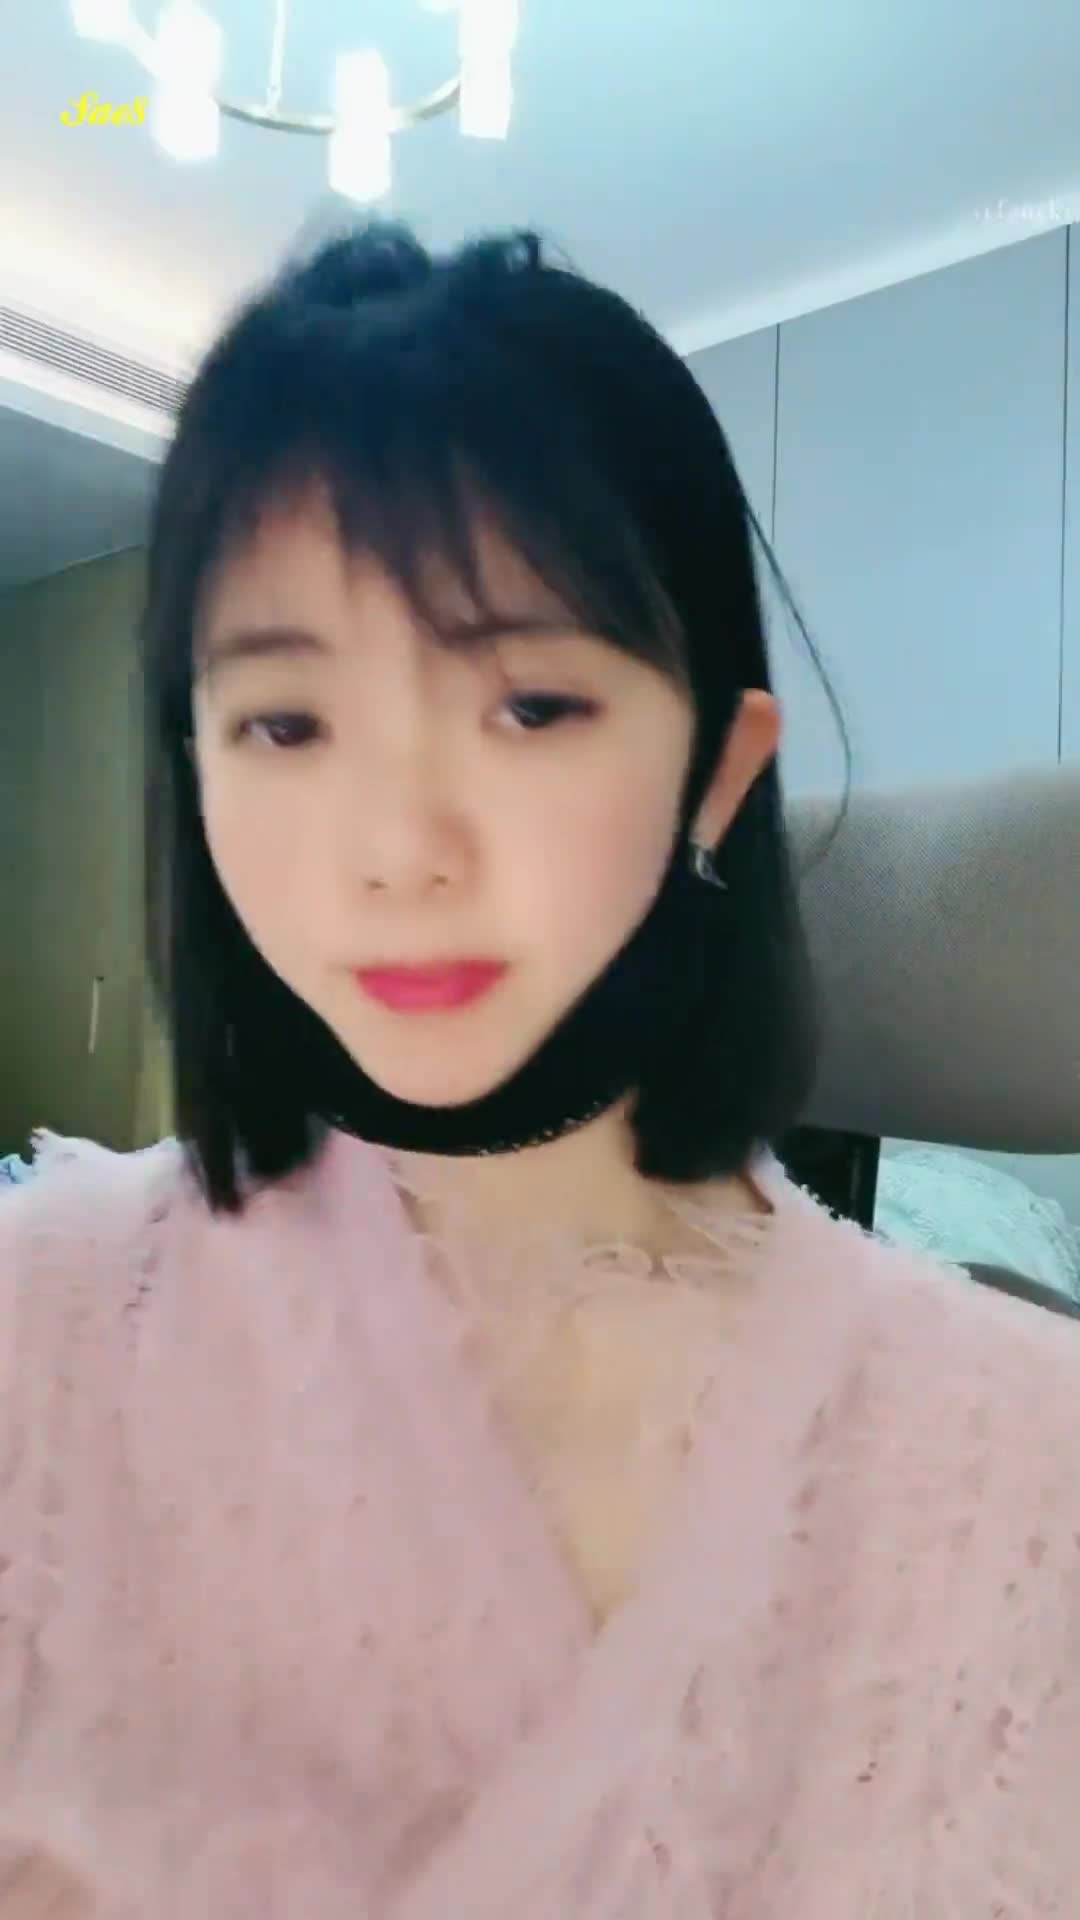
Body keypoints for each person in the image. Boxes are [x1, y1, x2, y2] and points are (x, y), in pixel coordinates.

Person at [2, 222, 1079, 1919]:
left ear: (719, 768)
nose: (397, 847)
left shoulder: (1023, 1476)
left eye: (529, 707)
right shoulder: (41, 1324)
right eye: (285, 723)